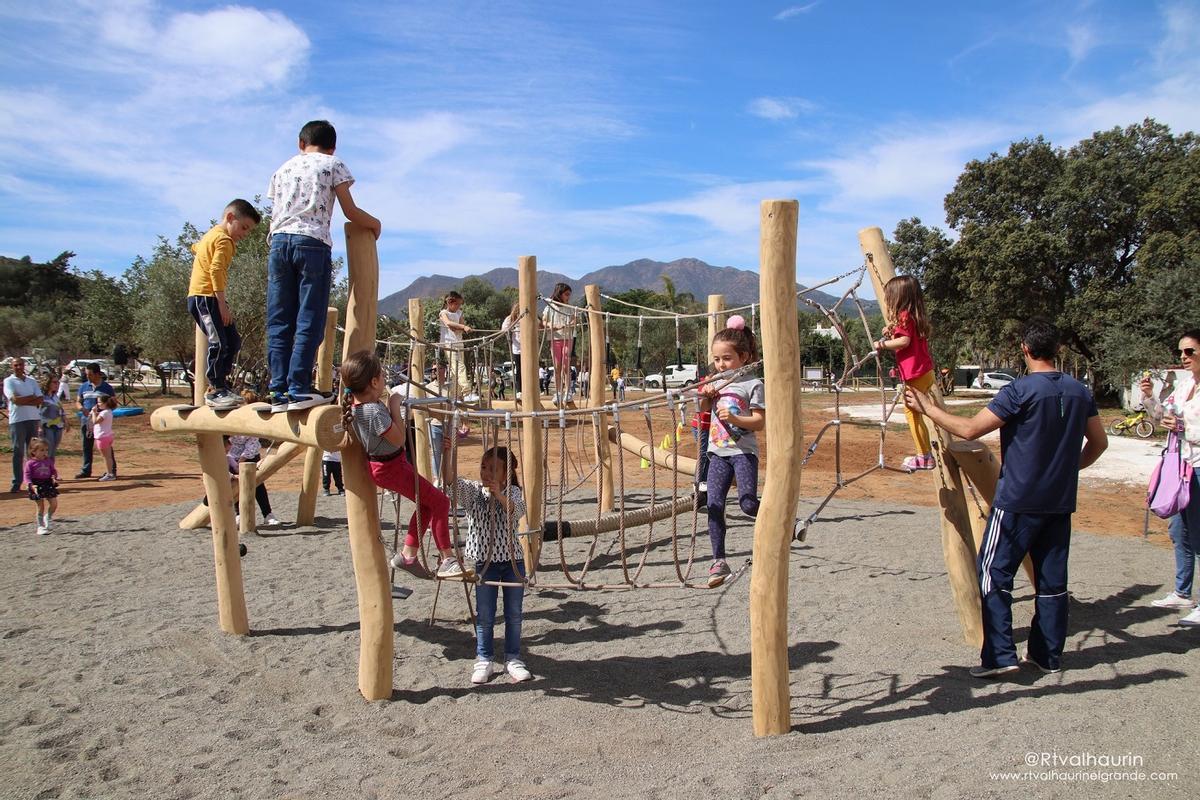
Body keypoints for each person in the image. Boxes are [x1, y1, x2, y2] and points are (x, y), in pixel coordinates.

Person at [903, 318, 1107, 676]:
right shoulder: (1079, 391)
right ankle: (1047, 656)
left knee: (993, 573)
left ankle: (1000, 657)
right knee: (1052, 582)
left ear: (1025, 349)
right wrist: (1066, 469)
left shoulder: (1021, 390)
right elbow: (1099, 443)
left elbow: (969, 429)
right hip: (1059, 502)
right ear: (1056, 351)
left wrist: (928, 409)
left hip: (1017, 501)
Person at [266, 119, 380, 413]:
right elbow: (349, 210)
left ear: (300, 144)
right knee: (310, 317)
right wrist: (374, 224)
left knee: (280, 319)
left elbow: (276, 209)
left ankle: (277, 388)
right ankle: (298, 388)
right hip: (312, 243)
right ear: (333, 147)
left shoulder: (282, 169)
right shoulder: (332, 164)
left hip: (278, 243)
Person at [340, 350, 463, 579]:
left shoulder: (359, 407)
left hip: (389, 466)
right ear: (374, 381)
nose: (386, 381)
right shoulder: (373, 411)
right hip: (391, 468)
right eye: (383, 377)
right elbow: (398, 438)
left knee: (428, 504)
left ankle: (408, 554)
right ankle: (446, 558)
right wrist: (395, 405)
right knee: (441, 502)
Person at [445, 445, 532, 684]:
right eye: (484, 467)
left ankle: (512, 658)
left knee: (514, 614)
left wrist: (499, 495)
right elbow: (450, 482)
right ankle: (484, 658)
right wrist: (446, 454)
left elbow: (516, 511)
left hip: (512, 562)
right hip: (485, 562)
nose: (486, 473)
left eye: (493, 469)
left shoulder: (513, 492)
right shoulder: (474, 492)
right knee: (485, 615)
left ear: (506, 475)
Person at [1139, 329, 1200, 626]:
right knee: (1179, 531)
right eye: (1181, 352)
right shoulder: (1186, 386)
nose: (1183, 357)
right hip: (1182, 467)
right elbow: (1162, 415)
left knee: (1198, 532)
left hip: (1199, 466)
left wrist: (1183, 427)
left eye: (1190, 352)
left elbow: (1185, 425)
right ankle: (1182, 591)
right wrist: (1151, 399)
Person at [698, 316, 764, 587]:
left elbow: (759, 422)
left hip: (743, 452)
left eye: (726, 358)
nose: (721, 364)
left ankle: (786, 522)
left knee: (748, 504)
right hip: (717, 453)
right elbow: (702, 411)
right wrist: (707, 394)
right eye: (716, 359)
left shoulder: (753, 384)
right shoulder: (715, 382)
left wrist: (736, 420)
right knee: (714, 506)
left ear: (744, 357)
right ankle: (718, 561)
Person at [187, 198, 261, 410]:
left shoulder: (211, 235)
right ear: (230, 218)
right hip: (206, 298)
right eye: (244, 228)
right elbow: (216, 270)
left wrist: (199, 251)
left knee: (233, 341)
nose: (244, 234)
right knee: (218, 342)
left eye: (248, 231)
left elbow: (197, 247)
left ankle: (223, 384)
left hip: (209, 297)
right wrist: (222, 304)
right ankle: (215, 389)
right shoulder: (224, 241)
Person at [875, 275, 937, 472]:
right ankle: (924, 454)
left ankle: (924, 455)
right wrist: (890, 330)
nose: (887, 300)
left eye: (889, 296)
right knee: (917, 412)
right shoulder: (913, 316)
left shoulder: (904, 316)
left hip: (915, 374)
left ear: (898, 297)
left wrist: (881, 344)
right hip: (925, 371)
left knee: (912, 414)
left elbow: (904, 342)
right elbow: (903, 335)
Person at [5, 356, 43, 492]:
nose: (19, 367)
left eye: (21, 364)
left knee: (33, 450)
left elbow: (40, 399)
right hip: (17, 420)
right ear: (12, 366)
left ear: (24, 365)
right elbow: (14, 400)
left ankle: (33, 480)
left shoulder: (32, 381)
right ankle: (17, 482)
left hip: (32, 418)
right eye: (16, 365)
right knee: (18, 451)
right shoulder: (8, 381)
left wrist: (24, 400)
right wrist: (31, 398)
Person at [229, 433, 281, 527]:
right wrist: (231, 461)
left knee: (258, 484)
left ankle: (268, 514)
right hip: (230, 455)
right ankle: (239, 514)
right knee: (235, 485)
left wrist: (240, 462)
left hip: (250, 455)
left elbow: (252, 444)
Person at [76, 363, 116, 479]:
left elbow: (114, 404)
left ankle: (111, 470)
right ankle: (86, 470)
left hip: (101, 423)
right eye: (86, 374)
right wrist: (81, 408)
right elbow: (78, 401)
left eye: (90, 374)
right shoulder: (83, 387)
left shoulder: (107, 388)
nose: (87, 376)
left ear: (98, 374)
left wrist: (104, 413)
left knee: (105, 446)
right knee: (86, 446)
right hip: (87, 421)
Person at [438, 291, 479, 403]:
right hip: (449, 344)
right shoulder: (443, 313)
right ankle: (467, 392)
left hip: (459, 343)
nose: (459, 306)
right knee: (460, 367)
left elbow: (459, 326)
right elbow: (449, 324)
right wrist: (462, 326)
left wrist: (464, 328)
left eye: (460, 304)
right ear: (450, 303)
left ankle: (456, 396)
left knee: (454, 371)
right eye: (457, 304)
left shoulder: (459, 313)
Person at [541, 283, 576, 406]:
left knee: (567, 366)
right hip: (554, 339)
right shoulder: (549, 307)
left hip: (568, 338)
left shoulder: (570, 307)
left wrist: (571, 323)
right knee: (557, 366)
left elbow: (574, 319)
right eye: (566, 294)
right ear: (559, 293)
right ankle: (558, 392)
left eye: (569, 295)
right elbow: (544, 322)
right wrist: (554, 327)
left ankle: (568, 392)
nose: (568, 297)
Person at [24, 437, 59, 535]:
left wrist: (54, 476)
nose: (45, 452)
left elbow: (53, 470)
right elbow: (26, 476)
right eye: (42, 450)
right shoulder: (30, 463)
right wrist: (30, 485)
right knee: (40, 506)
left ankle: (48, 517)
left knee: (54, 503)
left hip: (48, 483)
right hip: (36, 485)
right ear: (33, 451)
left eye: (46, 450)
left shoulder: (48, 461)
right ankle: (40, 526)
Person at [89, 395, 119, 482]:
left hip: (102, 437)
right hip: (107, 436)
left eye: (99, 402)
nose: (98, 404)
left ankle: (110, 474)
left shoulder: (104, 413)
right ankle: (110, 472)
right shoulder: (108, 411)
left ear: (105, 403)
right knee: (108, 457)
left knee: (106, 457)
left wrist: (94, 413)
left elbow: (95, 421)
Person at [39, 374, 68, 459]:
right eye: (54, 382)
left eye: (58, 382)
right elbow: (37, 412)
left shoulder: (55, 396)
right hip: (47, 426)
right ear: (47, 383)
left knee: (53, 451)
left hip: (58, 426)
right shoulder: (41, 397)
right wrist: (39, 426)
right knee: (48, 450)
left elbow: (61, 409)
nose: (57, 384)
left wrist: (65, 421)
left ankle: (50, 470)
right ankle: (44, 470)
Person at [501, 302, 522, 397]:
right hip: (517, 349)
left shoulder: (529, 316)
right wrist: (511, 327)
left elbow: (538, 324)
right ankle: (519, 390)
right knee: (519, 370)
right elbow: (503, 329)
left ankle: (531, 389)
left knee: (531, 370)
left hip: (529, 349)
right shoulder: (511, 318)